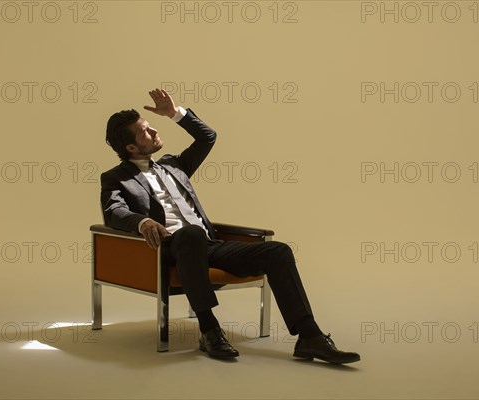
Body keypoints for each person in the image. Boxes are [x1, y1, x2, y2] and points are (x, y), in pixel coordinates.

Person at [101, 88, 360, 364]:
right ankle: (209, 330)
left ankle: (310, 337)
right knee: (190, 234)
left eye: (151, 126)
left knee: (278, 252)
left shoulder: (174, 165)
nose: (153, 131)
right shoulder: (116, 178)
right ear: (131, 148)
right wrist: (142, 221)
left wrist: (175, 114)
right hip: (169, 249)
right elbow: (113, 210)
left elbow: (207, 136)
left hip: (209, 246)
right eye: (145, 132)